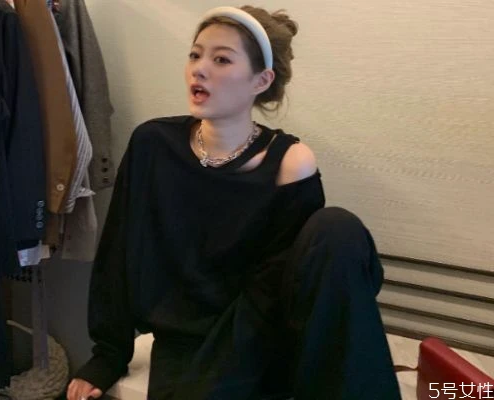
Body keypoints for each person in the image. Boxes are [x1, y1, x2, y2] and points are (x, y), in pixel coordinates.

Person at [67, 5, 401, 400]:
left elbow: (295, 283)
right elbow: (118, 252)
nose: (199, 69)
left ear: (262, 80)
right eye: (195, 54)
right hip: (190, 343)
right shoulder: (153, 145)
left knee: (337, 228)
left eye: (221, 59)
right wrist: (108, 354)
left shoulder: (291, 163)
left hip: (264, 336)